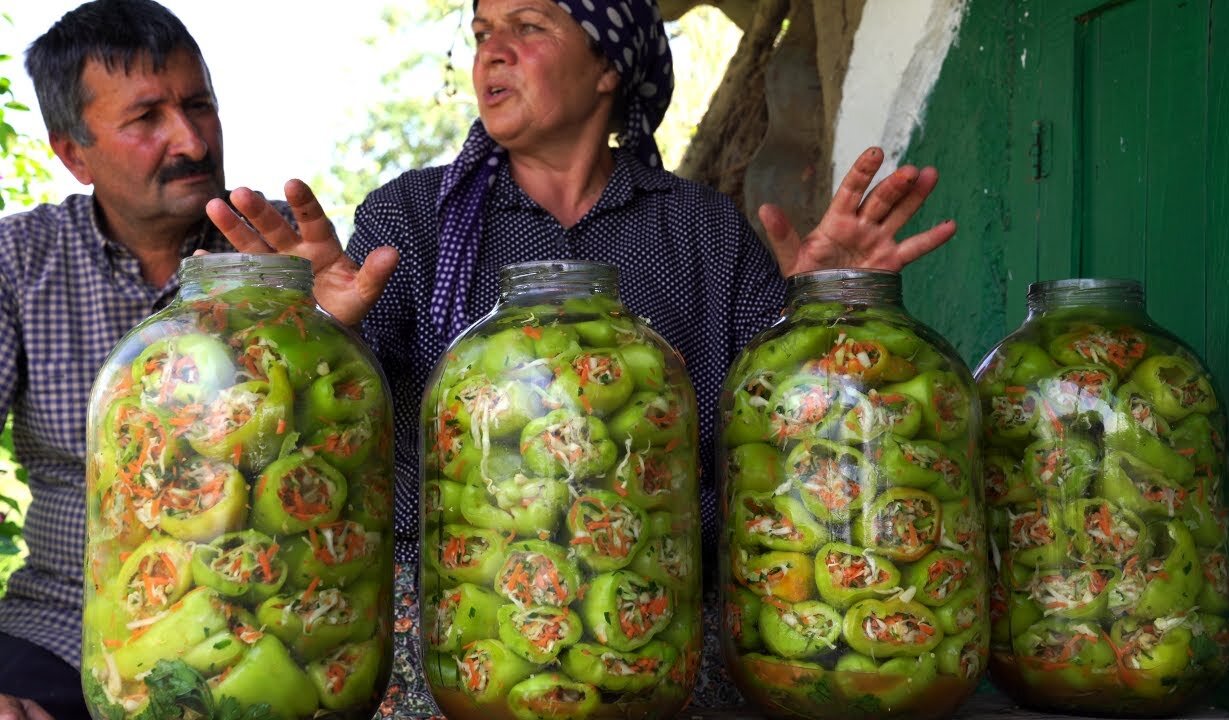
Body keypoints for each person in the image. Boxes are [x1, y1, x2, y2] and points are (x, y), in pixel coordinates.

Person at [208, 0, 954, 712]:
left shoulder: (703, 231)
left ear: (608, 67)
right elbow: (330, 437)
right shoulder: (411, 218)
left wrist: (824, 310)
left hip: (656, 619)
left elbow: (786, 426)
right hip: (452, 626)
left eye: (528, 27)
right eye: (481, 33)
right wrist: (317, 330)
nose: (491, 52)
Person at [0, 2, 293, 718]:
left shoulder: (282, 260)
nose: (191, 140)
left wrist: (321, 331)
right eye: (146, 119)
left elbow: (349, 477)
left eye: (200, 106)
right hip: (59, 635)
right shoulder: (17, 262)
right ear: (72, 152)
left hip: (257, 637)